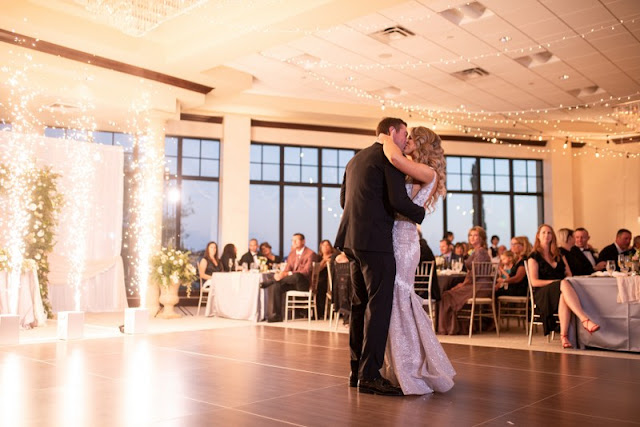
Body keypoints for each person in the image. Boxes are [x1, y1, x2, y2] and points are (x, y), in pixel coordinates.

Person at [334, 117, 426, 396]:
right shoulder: (389, 158)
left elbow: (343, 201)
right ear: (392, 131)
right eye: (404, 134)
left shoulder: (355, 160)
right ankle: (370, 376)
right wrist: (421, 214)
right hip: (375, 241)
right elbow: (398, 201)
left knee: (359, 306)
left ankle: (355, 371)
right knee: (378, 307)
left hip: (350, 241)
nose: (404, 140)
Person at [379, 125, 455, 394]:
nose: (406, 140)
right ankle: (399, 364)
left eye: (411, 138)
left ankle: (409, 366)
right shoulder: (413, 169)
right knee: (396, 301)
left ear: (422, 144)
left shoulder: (427, 172)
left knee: (401, 300)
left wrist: (384, 138)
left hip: (404, 240)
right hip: (395, 236)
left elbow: (394, 158)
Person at [527, 224, 600, 349]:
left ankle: (564, 336)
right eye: (543, 233)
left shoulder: (559, 254)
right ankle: (584, 319)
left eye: (549, 233)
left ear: (553, 236)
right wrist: (557, 282)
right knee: (563, 284)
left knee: (563, 296)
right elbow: (534, 282)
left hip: (561, 289)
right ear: (538, 236)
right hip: (543, 293)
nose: (546, 235)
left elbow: (569, 273)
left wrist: (560, 283)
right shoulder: (533, 256)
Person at [438, 226, 492, 335]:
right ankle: (455, 327)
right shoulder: (475, 252)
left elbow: (475, 274)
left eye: (475, 235)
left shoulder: (481, 252)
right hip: (476, 284)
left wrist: (462, 284)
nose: (472, 238)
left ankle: (450, 328)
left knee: (447, 295)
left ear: (481, 238)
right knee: (448, 294)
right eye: (470, 235)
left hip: (480, 286)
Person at [264, 233, 315, 322]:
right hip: (293, 283)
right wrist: (281, 274)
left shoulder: (310, 253)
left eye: (296, 240)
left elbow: (306, 272)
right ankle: (277, 315)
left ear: (303, 241)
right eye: (292, 240)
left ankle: (271, 281)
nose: (294, 242)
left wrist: (287, 274)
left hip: (304, 284)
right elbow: (287, 269)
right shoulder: (292, 254)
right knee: (277, 285)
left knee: (297, 275)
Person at [316, 239, 338, 319]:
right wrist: (324, 260)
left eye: (327, 245)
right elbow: (317, 269)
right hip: (321, 279)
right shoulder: (318, 257)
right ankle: (319, 313)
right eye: (323, 245)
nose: (325, 247)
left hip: (333, 278)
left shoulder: (335, 256)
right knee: (319, 285)